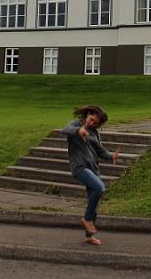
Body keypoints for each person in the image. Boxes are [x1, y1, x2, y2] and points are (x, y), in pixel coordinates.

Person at [62, 105, 120, 246]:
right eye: (91, 119)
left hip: (93, 169)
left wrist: (111, 156)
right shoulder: (76, 124)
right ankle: (87, 220)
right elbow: (65, 130)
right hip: (80, 167)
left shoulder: (94, 133)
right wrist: (79, 130)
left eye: (96, 123)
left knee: (93, 202)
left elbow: (100, 151)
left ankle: (89, 236)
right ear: (87, 114)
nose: (92, 123)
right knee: (100, 188)